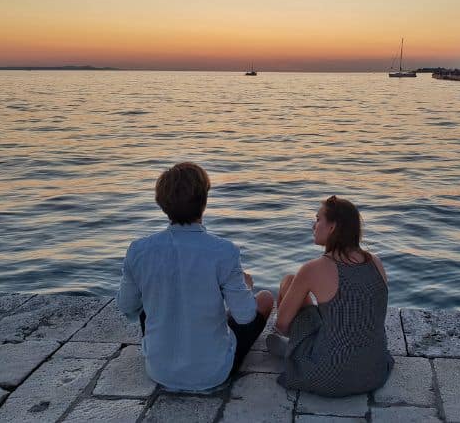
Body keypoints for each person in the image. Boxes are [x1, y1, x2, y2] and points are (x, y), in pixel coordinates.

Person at [116, 162, 274, 392]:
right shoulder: (224, 251)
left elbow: (127, 306)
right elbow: (245, 316)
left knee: (147, 299)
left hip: (159, 370)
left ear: (162, 204)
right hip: (213, 372)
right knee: (266, 299)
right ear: (204, 200)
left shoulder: (138, 250)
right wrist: (245, 287)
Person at [268, 195, 394, 397]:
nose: (313, 225)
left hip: (330, 376)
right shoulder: (376, 263)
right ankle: (300, 344)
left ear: (333, 227)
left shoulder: (313, 269)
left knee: (289, 282)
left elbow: (282, 324)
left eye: (318, 220)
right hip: (374, 372)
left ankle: (293, 349)